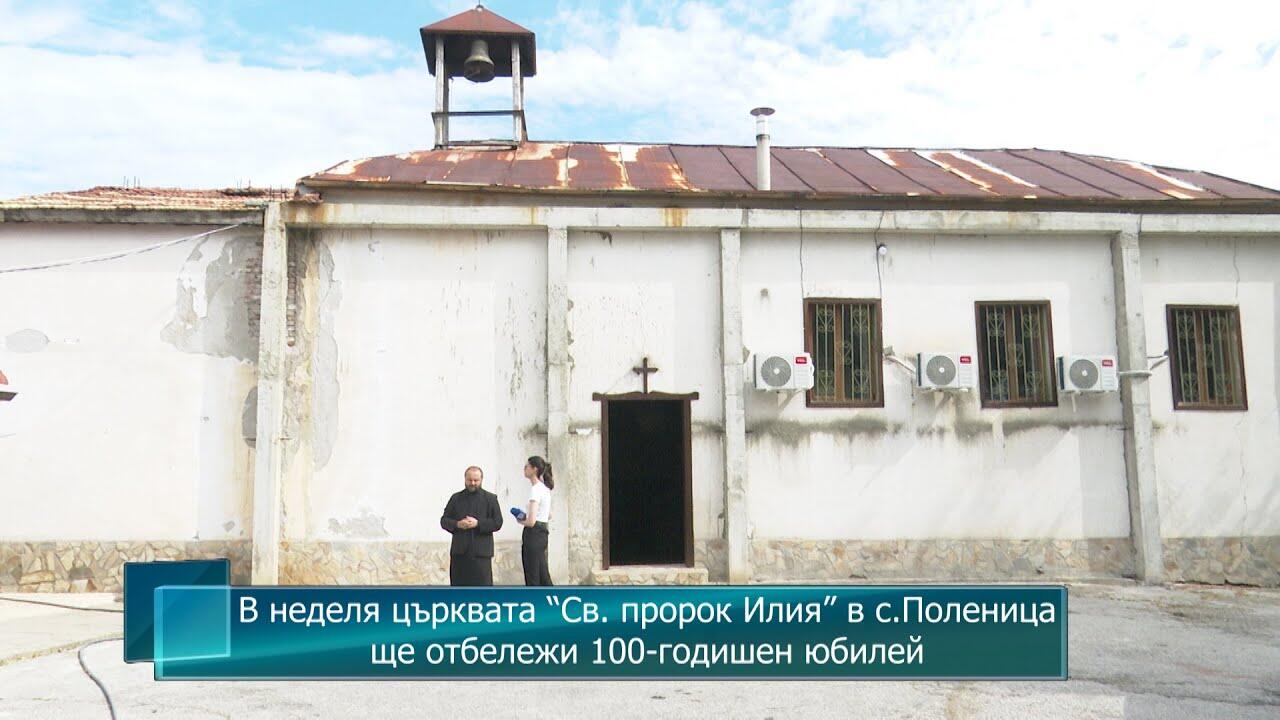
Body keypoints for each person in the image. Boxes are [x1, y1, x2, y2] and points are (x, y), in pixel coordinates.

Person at [439, 466, 503, 586]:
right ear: (465, 479)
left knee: (483, 591)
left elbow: (497, 522)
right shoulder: (456, 498)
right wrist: (458, 524)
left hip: (481, 555)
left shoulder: (490, 499)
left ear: (481, 480)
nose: (472, 483)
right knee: (458, 590)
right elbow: (444, 521)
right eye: (469, 480)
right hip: (460, 554)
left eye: (476, 480)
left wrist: (478, 524)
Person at [518, 456, 554, 586]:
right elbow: (549, 514)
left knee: (532, 574)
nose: (524, 469)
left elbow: (531, 521)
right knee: (542, 573)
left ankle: (534, 597)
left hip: (533, 534)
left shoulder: (535, 489)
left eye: (527, 466)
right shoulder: (545, 488)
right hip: (542, 532)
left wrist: (521, 520)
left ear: (534, 469)